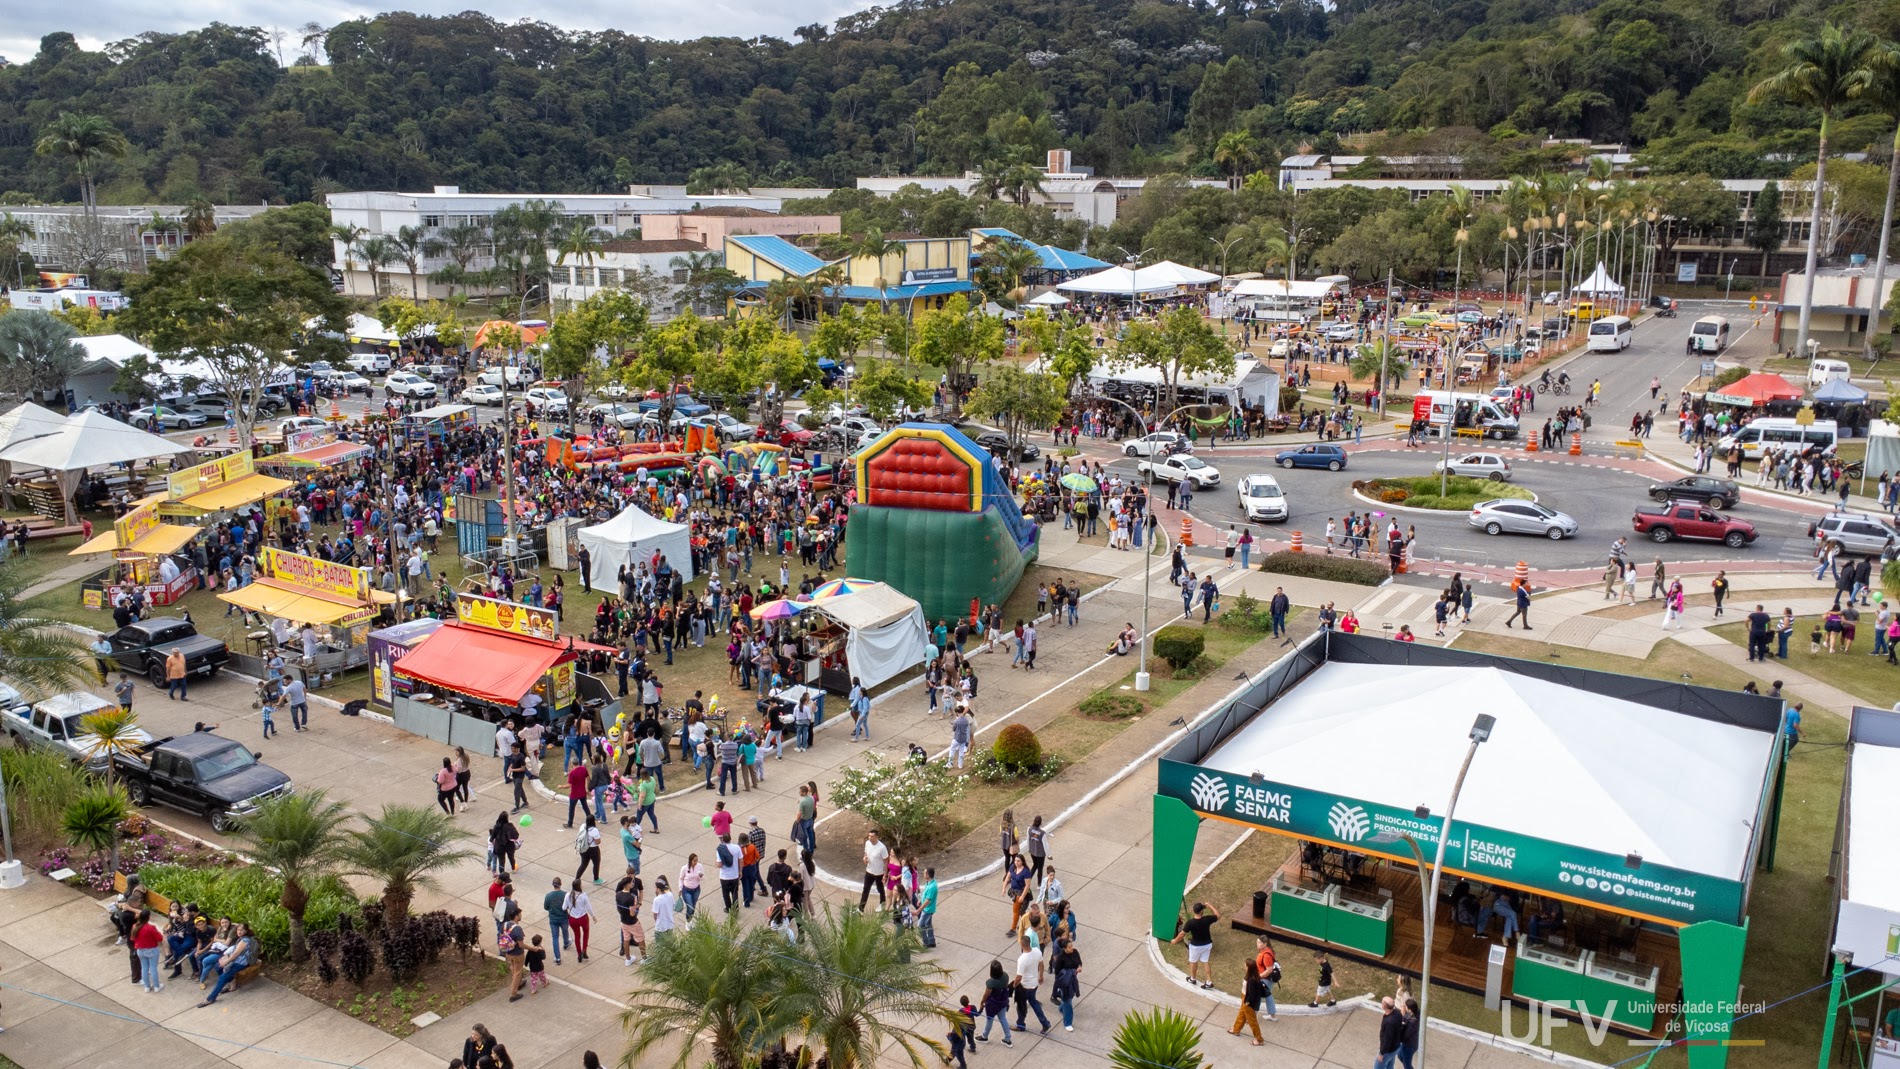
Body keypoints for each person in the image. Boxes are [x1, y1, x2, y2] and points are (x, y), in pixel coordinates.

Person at [1012, 933, 1053, 1035]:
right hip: (1034, 984)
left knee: (1021, 1006)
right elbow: (1041, 965)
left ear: (1022, 945)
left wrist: (1014, 985)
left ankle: (1020, 1025)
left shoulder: (1022, 959)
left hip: (1024, 986)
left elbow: (1019, 976)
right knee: (1033, 1002)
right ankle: (1045, 1022)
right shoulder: (1037, 951)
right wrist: (1041, 976)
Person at [1173, 901, 1219, 989]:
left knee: (1193, 962)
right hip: (1207, 944)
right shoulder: (1207, 919)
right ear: (1201, 911)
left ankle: (1193, 978)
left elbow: (1182, 934)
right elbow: (1217, 915)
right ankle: (1209, 981)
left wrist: (1175, 940)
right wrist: (1210, 905)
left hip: (1195, 946)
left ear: (1194, 911)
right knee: (1205, 961)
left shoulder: (1190, 923)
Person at [978, 960, 1015, 1046]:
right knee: (1003, 1019)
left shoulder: (990, 982)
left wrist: (982, 1001)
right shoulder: (1005, 976)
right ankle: (1008, 1039)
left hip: (993, 1004)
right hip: (1003, 1001)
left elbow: (987, 994)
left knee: (989, 1019)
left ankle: (985, 1036)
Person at [1230, 958, 1266, 1044]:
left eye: (1245, 965)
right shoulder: (1252, 976)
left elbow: (1252, 993)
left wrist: (1247, 1002)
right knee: (1241, 1014)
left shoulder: (1252, 979)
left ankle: (1259, 1039)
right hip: (1245, 998)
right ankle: (1236, 1029)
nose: (1244, 966)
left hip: (1249, 1001)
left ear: (1248, 967)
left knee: (1252, 1021)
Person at [859, 830, 889, 911]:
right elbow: (866, 853)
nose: (870, 838)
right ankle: (860, 909)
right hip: (869, 871)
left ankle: (882, 903)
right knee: (865, 889)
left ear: (876, 837)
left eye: (872, 836)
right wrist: (865, 858)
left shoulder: (882, 848)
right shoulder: (867, 843)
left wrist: (885, 875)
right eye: (869, 836)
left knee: (880, 889)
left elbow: (886, 862)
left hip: (879, 873)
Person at [1374, 997, 1404, 1069]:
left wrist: (1381, 1054)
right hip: (1395, 1047)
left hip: (1387, 1051)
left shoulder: (1389, 1022)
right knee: (1390, 1066)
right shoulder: (1397, 1012)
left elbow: (1387, 1040)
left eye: (1382, 1003)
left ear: (1384, 1005)